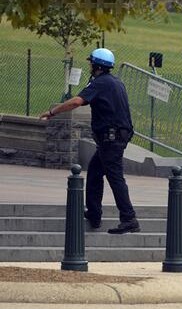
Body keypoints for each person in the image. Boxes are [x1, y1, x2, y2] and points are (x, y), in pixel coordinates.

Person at [39, 48, 140, 234]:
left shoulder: (100, 83)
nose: (89, 66)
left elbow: (76, 102)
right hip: (115, 136)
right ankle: (94, 213)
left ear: (97, 66)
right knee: (94, 172)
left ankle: (129, 219)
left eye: (91, 63)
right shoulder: (116, 82)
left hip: (111, 138)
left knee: (115, 177)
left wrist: (53, 112)